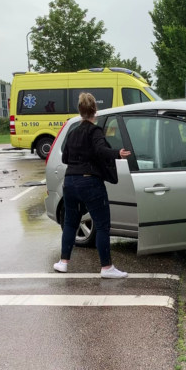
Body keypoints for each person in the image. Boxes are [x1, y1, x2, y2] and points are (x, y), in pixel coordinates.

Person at [54, 93, 131, 278]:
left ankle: (63, 262)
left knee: (70, 223)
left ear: (80, 111)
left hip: (70, 182)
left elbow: (65, 158)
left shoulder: (73, 132)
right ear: (95, 111)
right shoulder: (94, 131)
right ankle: (107, 268)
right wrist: (117, 153)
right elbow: (100, 150)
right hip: (90, 182)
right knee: (103, 225)